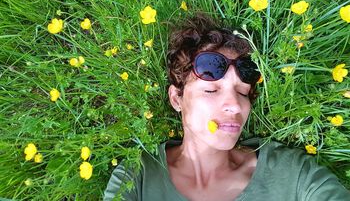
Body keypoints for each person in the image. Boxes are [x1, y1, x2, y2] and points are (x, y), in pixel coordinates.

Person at [104, 14, 350, 201]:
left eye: (243, 92)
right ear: (177, 99)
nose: (235, 105)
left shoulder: (292, 174)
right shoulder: (138, 176)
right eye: (211, 90)